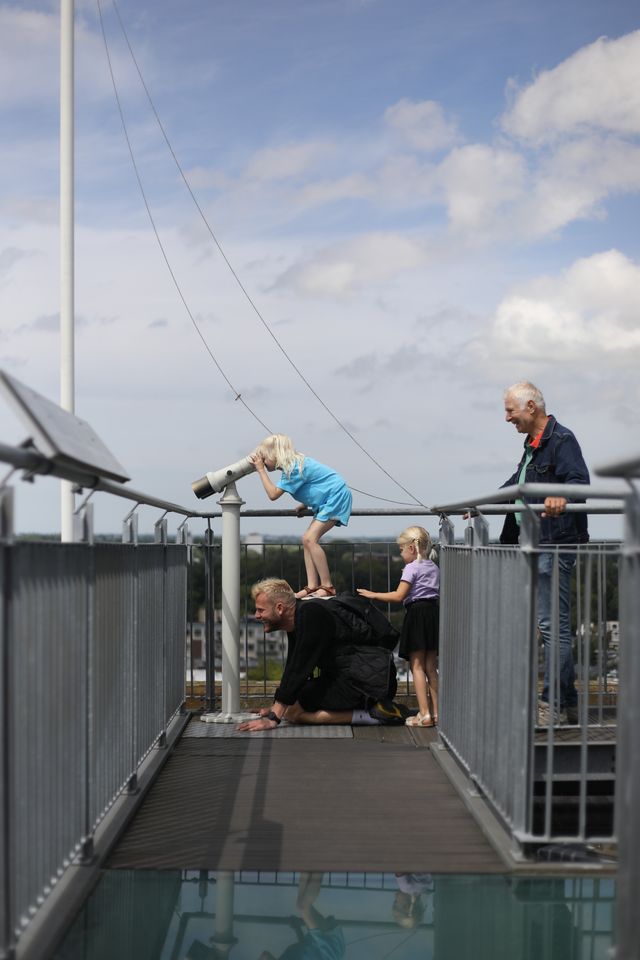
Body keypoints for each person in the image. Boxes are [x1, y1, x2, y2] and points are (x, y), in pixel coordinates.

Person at [501, 381, 590, 725]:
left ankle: (551, 704)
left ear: (531, 408)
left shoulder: (561, 440)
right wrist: (485, 501)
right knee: (550, 625)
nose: (507, 417)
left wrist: (561, 497)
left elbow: (579, 483)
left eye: (511, 410)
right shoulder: (534, 443)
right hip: (535, 543)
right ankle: (565, 703)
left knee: (552, 626)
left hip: (554, 543)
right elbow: (518, 480)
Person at [237, 579, 409, 732]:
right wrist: (275, 706)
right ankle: (373, 710)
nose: (256, 616)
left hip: (365, 683)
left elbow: (299, 667)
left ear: (280, 608)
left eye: (261, 610)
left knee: (293, 713)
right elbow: (293, 666)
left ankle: (372, 715)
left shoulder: (311, 615)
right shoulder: (301, 616)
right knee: (290, 707)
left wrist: (274, 718)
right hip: (358, 677)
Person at [250, 435, 352, 599]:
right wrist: (306, 504)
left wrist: (260, 470)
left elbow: (273, 494)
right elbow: (314, 483)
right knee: (306, 540)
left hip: (335, 497)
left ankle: (327, 586)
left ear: (274, 455)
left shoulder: (293, 469)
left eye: (264, 458)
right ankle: (312, 586)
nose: (263, 461)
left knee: (310, 539)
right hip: (328, 498)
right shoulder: (295, 465)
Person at [357, 526, 439, 727]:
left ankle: (424, 714)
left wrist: (372, 594)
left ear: (412, 548)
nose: (400, 553)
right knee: (431, 667)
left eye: (401, 550)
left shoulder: (412, 568)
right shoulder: (433, 567)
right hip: (432, 614)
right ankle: (437, 713)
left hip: (417, 615)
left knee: (417, 666)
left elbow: (399, 595)